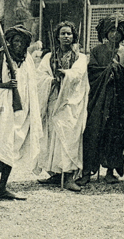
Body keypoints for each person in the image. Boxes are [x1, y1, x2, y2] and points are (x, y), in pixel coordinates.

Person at [0, 25, 42, 205]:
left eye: (21, 42)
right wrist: (6, 85)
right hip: (1, 108)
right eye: (15, 41)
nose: (18, 45)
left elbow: (30, 84)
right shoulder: (0, 57)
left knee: (12, 148)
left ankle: (3, 188)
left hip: (19, 110)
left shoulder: (27, 59)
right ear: (10, 41)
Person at [78, 14, 124, 186]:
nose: (114, 34)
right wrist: (105, 72)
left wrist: (118, 71)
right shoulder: (96, 51)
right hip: (99, 98)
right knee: (93, 131)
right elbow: (92, 71)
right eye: (111, 30)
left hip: (118, 100)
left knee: (115, 134)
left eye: (118, 31)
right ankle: (87, 171)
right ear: (105, 32)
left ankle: (110, 170)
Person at [35, 21, 90, 192]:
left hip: (70, 102)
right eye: (63, 34)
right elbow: (40, 76)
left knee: (69, 137)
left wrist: (65, 74)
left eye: (69, 34)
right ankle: (56, 174)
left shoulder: (79, 57)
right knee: (53, 138)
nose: (66, 37)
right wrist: (51, 80)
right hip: (53, 101)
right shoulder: (48, 57)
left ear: (74, 36)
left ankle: (68, 176)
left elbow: (78, 74)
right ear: (57, 37)